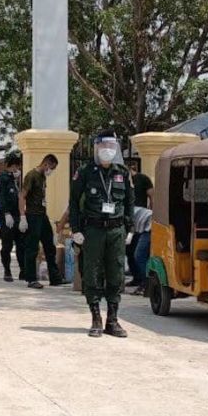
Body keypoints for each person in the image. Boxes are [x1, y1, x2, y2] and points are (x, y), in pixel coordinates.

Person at [69, 130, 134, 338]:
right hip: (93, 230)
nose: (107, 150)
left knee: (115, 272)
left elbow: (130, 202)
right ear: (96, 147)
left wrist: (130, 228)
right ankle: (96, 318)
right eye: (103, 146)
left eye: (111, 146)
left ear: (116, 148)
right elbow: (73, 202)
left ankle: (112, 320)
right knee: (92, 273)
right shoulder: (85, 172)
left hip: (116, 230)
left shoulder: (123, 172)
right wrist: (76, 230)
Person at [21, 154, 67, 289]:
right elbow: (22, 196)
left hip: (42, 215)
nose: (51, 171)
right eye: (51, 168)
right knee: (32, 247)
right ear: (46, 163)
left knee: (50, 246)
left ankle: (55, 278)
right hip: (32, 215)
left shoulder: (42, 177)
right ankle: (30, 279)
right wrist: (22, 216)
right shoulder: (31, 176)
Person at [0, 152, 25, 282]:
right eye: (16, 168)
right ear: (11, 166)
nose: (17, 170)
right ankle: (7, 270)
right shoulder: (1, 179)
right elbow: (1, 197)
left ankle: (23, 270)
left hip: (17, 215)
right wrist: (7, 213)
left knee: (21, 244)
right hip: (6, 216)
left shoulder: (14, 180)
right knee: (7, 245)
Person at [129, 206, 153, 296]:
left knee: (139, 256)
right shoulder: (129, 208)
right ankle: (145, 281)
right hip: (149, 224)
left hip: (150, 226)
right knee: (143, 255)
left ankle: (146, 283)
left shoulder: (121, 212)